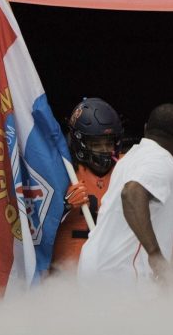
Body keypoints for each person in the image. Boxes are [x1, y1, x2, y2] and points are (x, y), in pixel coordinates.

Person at [77, 103, 173, 287]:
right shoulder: (161, 159)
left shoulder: (129, 158)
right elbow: (132, 193)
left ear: (145, 129)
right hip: (121, 274)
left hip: (93, 266)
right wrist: (155, 255)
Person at [52, 98, 122, 269]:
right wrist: (63, 207)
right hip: (66, 278)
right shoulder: (60, 172)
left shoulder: (125, 168)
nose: (105, 150)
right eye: (96, 144)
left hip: (112, 273)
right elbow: (34, 229)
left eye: (108, 143)